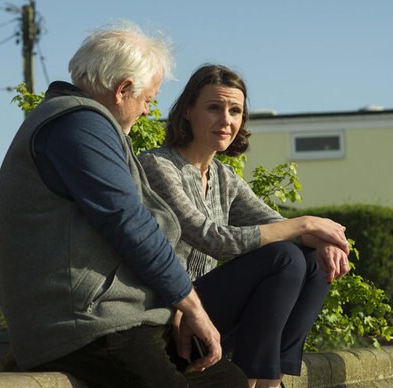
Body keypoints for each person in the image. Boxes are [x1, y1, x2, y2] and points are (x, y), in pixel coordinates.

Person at [0, 24, 248, 387]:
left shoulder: (84, 122)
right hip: (86, 325)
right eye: (148, 99)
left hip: (116, 319)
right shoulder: (79, 124)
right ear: (123, 89)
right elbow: (130, 223)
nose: (147, 112)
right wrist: (190, 305)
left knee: (228, 382)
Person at [139, 64, 351, 388]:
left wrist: (322, 240)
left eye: (235, 110)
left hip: (208, 314)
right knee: (284, 257)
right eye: (214, 108)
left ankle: (270, 376)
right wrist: (307, 223)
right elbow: (213, 239)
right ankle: (257, 379)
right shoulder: (158, 167)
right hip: (172, 314)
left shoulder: (224, 178)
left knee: (312, 260)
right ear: (187, 112)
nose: (226, 120)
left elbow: (278, 225)